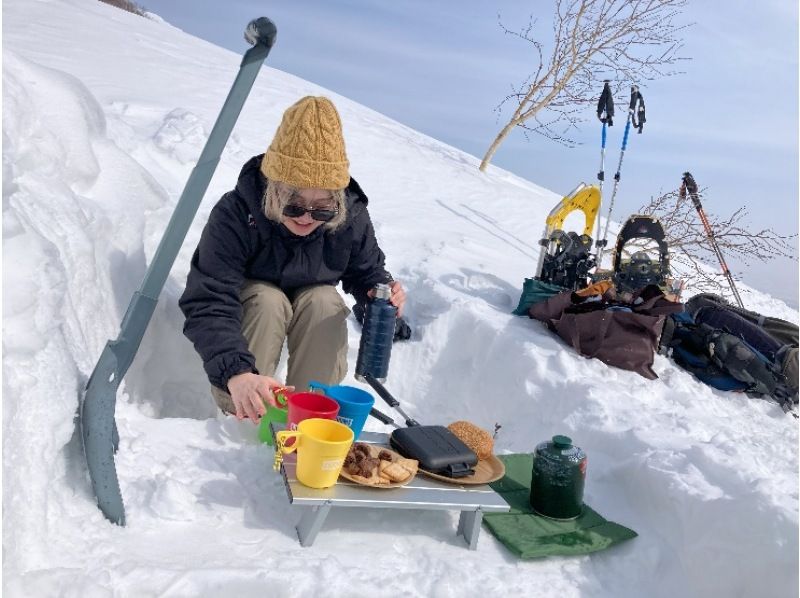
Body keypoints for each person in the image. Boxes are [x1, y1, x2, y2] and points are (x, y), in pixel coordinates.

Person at [179, 96, 406, 422]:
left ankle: (313, 412)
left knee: (324, 300)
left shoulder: (351, 216)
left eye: (323, 208)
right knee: (267, 300)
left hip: (313, 304)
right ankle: (245, 410)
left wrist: (381, 293)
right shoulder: (237, 212)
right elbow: (210, 297)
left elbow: (367, 271)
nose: (306, 217)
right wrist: (236, 372)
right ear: (273, 191)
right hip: (254, 309)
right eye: (293, 204)